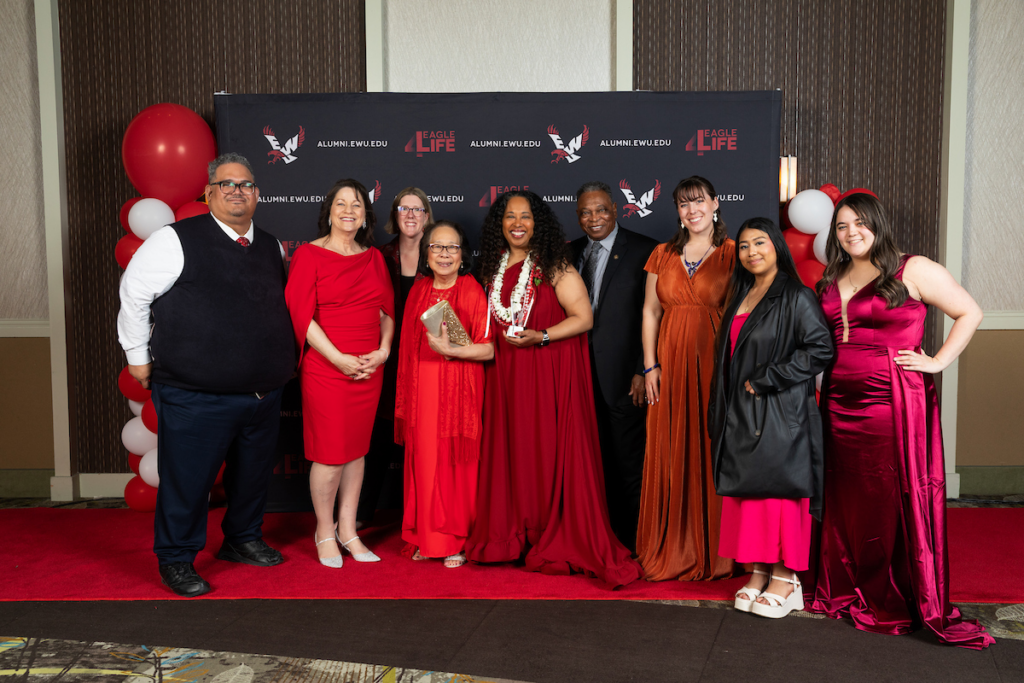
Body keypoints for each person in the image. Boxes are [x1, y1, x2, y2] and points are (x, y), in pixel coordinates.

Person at [807, 193, 993, 648]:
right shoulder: (832, 276)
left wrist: (937, 362)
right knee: (846, 494)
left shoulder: (913, 268)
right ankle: (847, 584)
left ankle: (893, 592)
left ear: (878, 224)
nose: (851, 232)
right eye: (842, 225)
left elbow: (970, 312)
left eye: (860, 223)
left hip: (893, 399)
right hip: (838, 399)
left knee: (888, 494)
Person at [117, 152, 296, 597]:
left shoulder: (271, 245)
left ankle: (242, 539)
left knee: (252, 476)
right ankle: (176, 558)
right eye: (226, 184)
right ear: (209, 192)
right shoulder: (174, 239)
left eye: (246, 184)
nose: (237, 191)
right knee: (188, 480)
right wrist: (137, 355)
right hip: (195, 393)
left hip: (262, 392)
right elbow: (134, 294)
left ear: (257, 194)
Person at [465, 191, 641, 588]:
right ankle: (514, 535)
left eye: (525, 216)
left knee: (544, 448)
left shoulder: (555, 264)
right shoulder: (492, 267)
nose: (517, 224)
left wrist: (541, 336)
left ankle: (547, 532)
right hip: (506, 375)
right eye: (510, 217)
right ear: (499, 224)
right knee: (514, 451)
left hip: (546, 371)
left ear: (538, 223)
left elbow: (583, 317)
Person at [707, 217, 833, 618]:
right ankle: (760, 571)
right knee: (751, 497)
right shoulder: (742, 293)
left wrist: (768, 378)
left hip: (778, 411)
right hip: (741, 412)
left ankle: (787, 579)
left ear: (776, 246)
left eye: (759, 243)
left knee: (778, 495)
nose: (751, 252)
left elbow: (820, 349)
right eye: (744, 246)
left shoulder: (796, 294)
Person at [285, 179, 395, 569]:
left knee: (357, 452)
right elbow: (301, 316)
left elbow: (386, 313)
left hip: (368, 369)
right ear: (329, 212)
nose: (349, 210)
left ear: (365, 215)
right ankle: (324, 530)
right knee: (331, 455)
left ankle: (348, 529)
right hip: (327, 368)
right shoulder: (308, 255)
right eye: (341, 204)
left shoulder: (374, 258)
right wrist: (338, 359)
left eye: (357, 204)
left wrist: (383, 352)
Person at [638, 175, 740, 581]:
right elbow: (650, 311)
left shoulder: (735, 252)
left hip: (716, 365)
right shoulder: (662, 254)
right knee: (670, 448)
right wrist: (650, 366)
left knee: (713, 447)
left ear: (715, 204)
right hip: (669, 365)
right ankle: (672, 546)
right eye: (684, 204)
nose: (692, 210)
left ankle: (717, 551)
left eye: (699, 201)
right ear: (678, 212)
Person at [395, 221, 494, 568]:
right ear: (427, 254)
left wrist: (452, 350)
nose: (444, 254)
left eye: (452, 247)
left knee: (454, 463)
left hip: (458, 390)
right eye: (437, 247)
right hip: (422, 389)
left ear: (462, 255)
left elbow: (488, 350)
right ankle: (427, 536)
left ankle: (456, 540)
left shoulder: (472, 290)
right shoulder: (418, 290)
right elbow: (407, 351)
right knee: (425, 462)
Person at [570, 181, 658, 552]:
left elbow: (655, 314)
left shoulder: (645, 250)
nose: (594, 218)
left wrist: (642, 369)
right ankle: (601, 541)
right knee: (591, 464)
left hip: (625, 377)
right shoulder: (569, 252)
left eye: (601, 209)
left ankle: (638, 544)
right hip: (577, 376)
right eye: (586, 212)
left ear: (616, 210)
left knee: (629, 464)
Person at [357, 188, 434, 528]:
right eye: (404, 209)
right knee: (378, 436)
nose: (411, 215)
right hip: (385, 357)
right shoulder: (379, 257)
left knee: (423, 438)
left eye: (418, 209)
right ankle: (361, 514)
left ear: (426, 216)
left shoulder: (439, 255)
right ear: (395, 215)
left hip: (427, 358)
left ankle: (420, 519)